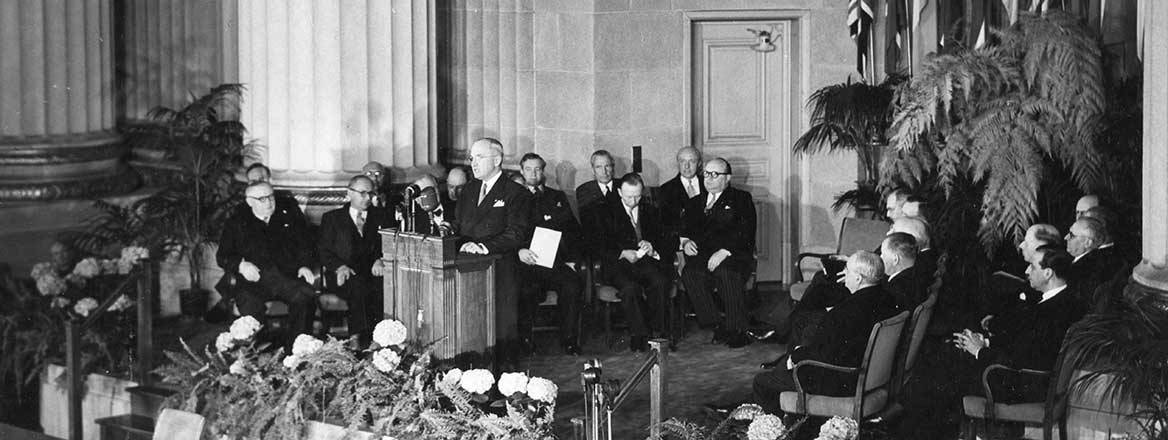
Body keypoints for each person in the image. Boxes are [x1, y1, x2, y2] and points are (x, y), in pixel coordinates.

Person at [744, 251, 898, 414]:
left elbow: (824, 356)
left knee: (762, 382)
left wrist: (796, 355)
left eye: (847, 270)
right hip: (870, 377)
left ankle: (769, 424)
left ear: (859, 278)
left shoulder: (845, 312)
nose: (844, 274)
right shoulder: (889, 300)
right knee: (787, 363)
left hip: (840, 380)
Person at [952, 245, 1085, 403]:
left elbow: (1021, 358)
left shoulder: (1053, 311)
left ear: (1048, 273)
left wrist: (979, 351)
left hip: (1025, 385)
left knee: (950, 373)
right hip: (1027, 378)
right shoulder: (1061, 301)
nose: (1027, 271)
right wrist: (984, 341)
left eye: (1032, 267)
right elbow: (1022, 342)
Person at [216, 182, 319, 347]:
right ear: (250, 202)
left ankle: (297, 351)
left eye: (271, 197)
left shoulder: (288, 218)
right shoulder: (236, 223)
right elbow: (223, 256)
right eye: (262, 199)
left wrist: (304, 265)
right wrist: (242, 266)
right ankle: (260, 355)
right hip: (253, 282)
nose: (269, 202)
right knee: (250, 308)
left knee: (306, 297)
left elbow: (305, 246)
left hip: (286, 278)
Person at [452, 138, 532, 342]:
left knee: (502, 329)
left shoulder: (516, 193)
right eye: (471, 158)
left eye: (479, 157)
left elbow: (516, 233)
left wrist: (483, 246)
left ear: (497, 160)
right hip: (468, 268)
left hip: (501, 268)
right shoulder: (469, 190)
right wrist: (450, 232)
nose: (473, 163)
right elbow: (459, 224)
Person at [679, 158, 756, 348]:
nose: (709, 179)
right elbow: (685, 231)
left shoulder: (741, 199)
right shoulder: (695, 203)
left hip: (734, 255)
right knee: (690, 274)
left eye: (715, 174)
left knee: (726, 273)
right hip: (704, 257)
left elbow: (747, 232)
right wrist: (686, 242)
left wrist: (725, 251)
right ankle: (716, 323)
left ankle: (737, 330)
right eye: (706, 174)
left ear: (727, 177)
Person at [594, 173, 673, 352]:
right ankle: (638, 335)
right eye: (629, 196)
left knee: (660, 282)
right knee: (630, 288)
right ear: (620, 192)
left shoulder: (651, 209)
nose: (633, 200)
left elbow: (664, 238)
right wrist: (622, 253)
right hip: (618, 265)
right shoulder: (604, 211)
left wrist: (652, 247)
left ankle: (658, 334)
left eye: (637, 195)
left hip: (645, 262)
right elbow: (598, 243)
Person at [514, 153, 584, 355]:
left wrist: (572, 260)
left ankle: (569, 340)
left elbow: (573, 232)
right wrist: (519, 251)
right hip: (527, 263)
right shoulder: (515, 198)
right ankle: (526, 342)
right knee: (525, 290)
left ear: (543, 172)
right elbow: (508, 233)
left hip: (555, 262)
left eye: (537, 169)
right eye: (528, 169)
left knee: (572, 283)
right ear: (521, 171)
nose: (533, 173)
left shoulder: (557, 197)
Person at [318, 176, 395, 345]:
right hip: (342, 274)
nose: (368, 198)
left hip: (373, 272)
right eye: (363, 193)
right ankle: (357, 341)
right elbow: (323, 251)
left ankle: (380, 341)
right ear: (349, 193)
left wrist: (379, 259)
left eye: (371, 193)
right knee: (358, 288)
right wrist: (339, 267)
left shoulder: (381, 216)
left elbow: (390, 245)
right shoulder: (332, 218)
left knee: (381, 289)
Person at [659, 147, 705, 238]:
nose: (686, 166)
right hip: (680, 244)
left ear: (699, 163)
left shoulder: (708, 184)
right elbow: (665, 224)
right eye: (682, 161)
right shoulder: (666, 189)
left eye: (692, 161)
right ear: (678, 163)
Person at [881, 232, 928, 310]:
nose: (880, 257)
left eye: (883, 254)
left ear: (895, 259)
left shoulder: (894, 290)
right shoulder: (920, 273)